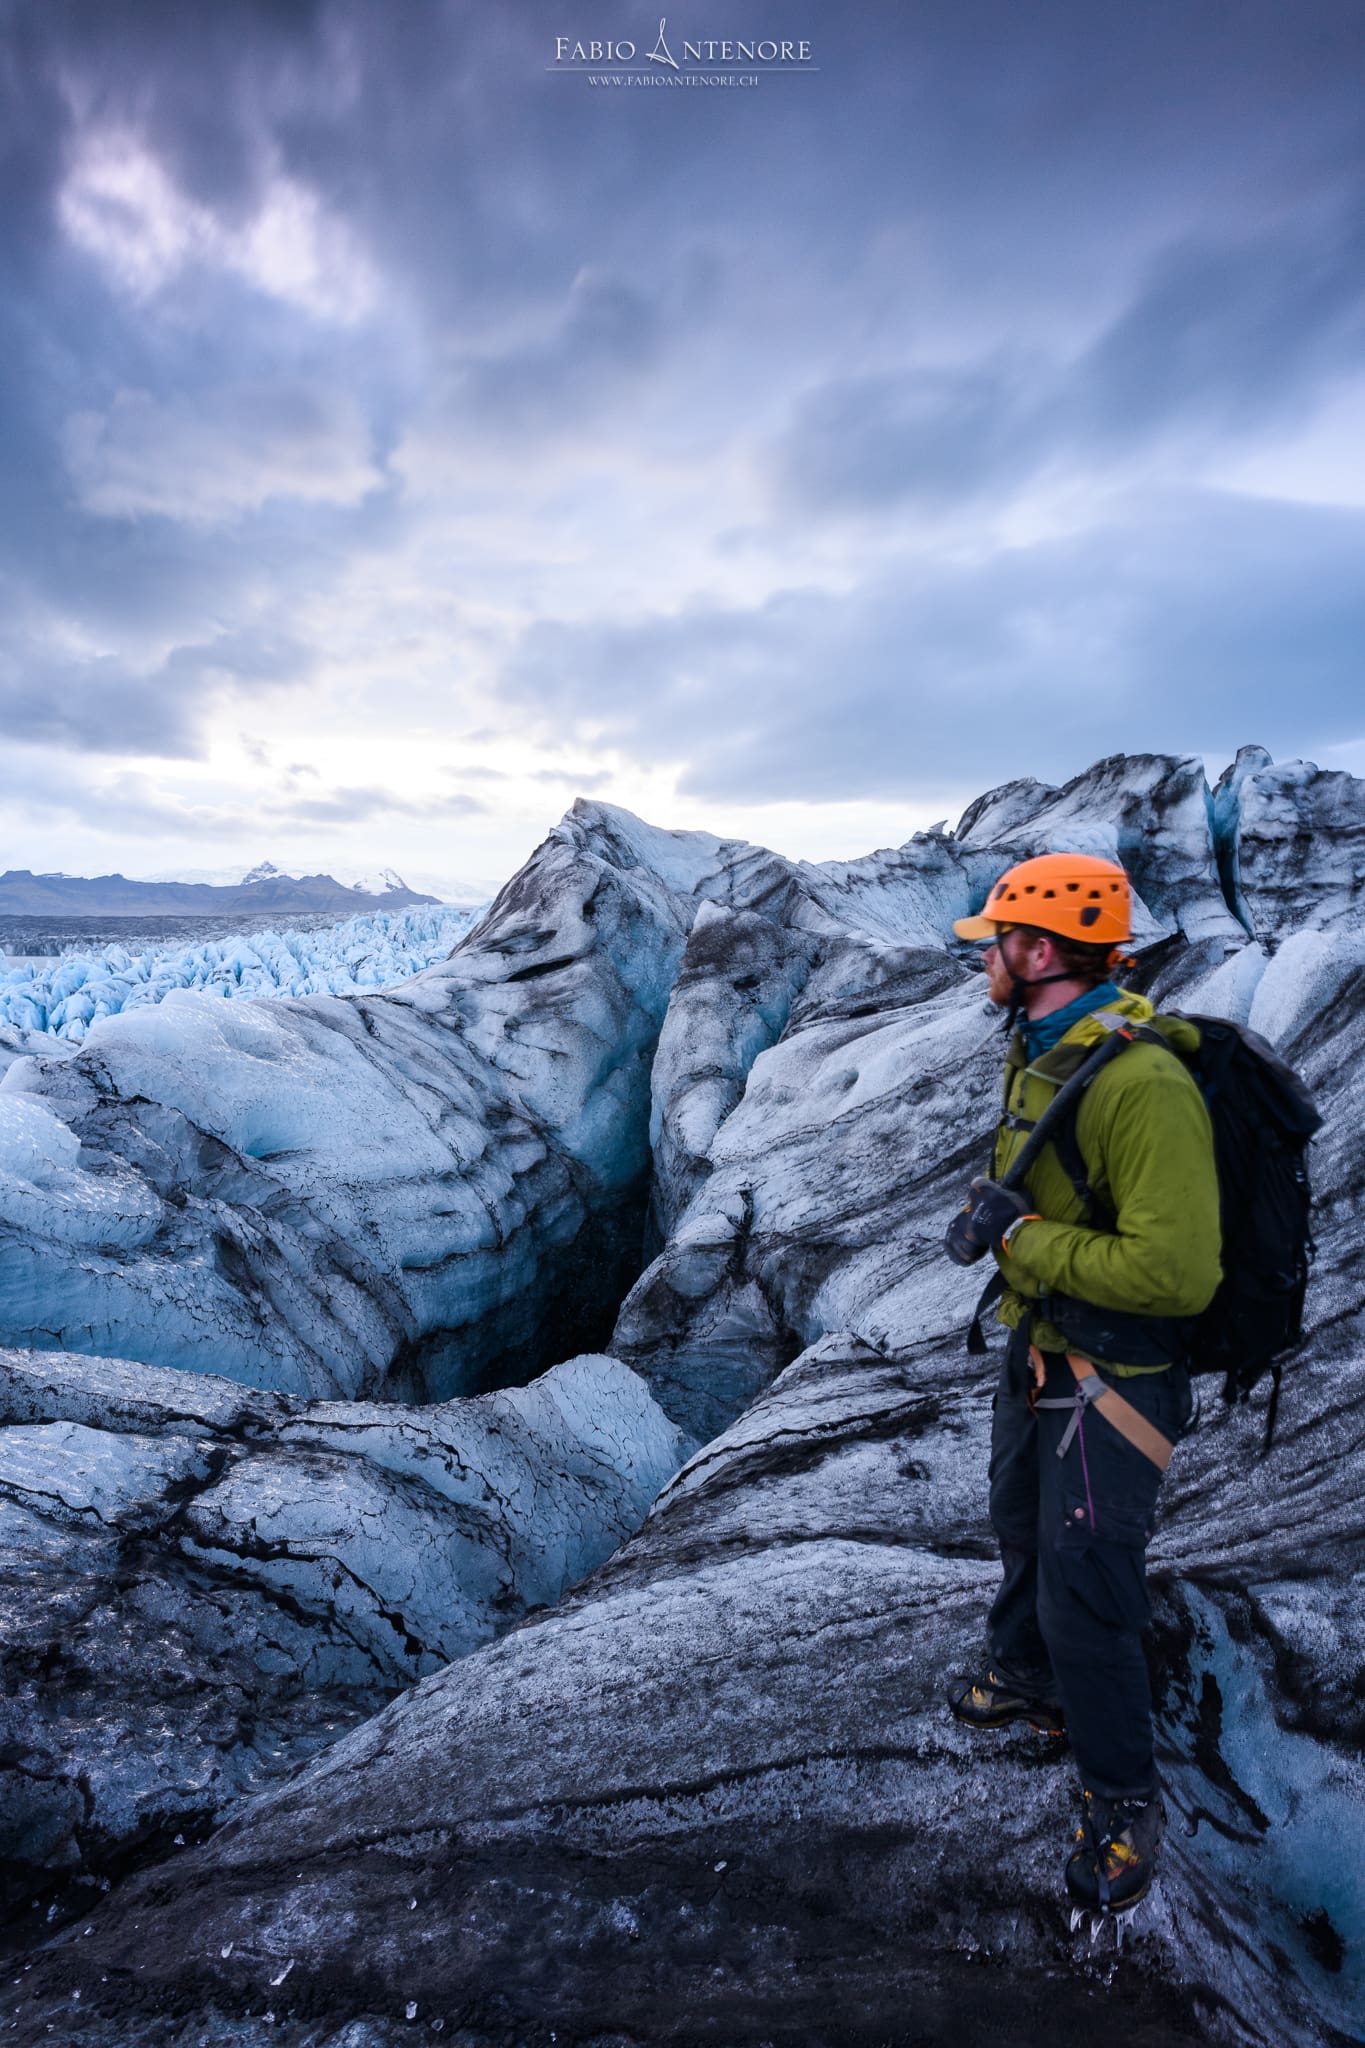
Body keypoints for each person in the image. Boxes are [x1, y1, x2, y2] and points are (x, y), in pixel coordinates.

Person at [942, 852, 1221, 1914]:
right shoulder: (1044, 1050)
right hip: (1044, 1345)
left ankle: (1121, 1799)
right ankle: (1027, 1675)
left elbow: (1176, 1272)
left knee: (1088, 1589)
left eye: (997, 942)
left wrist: (1022, 1237)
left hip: (1115, 1382)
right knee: (1020, 1523)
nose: (986, 960)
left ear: (1040, 951)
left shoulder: (1140, 1084)